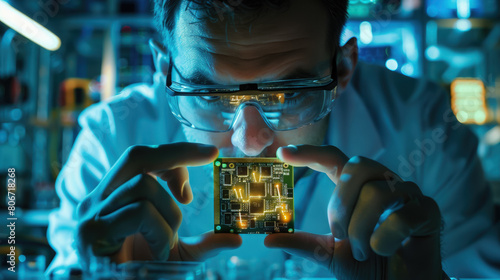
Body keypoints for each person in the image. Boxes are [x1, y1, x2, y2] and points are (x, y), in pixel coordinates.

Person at [46, 0, 500, 278]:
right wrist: (93, 275)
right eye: (208, 93)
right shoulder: (112, 138)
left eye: (288, 93)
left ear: (342, 69)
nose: (249, 142)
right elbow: (65, 262)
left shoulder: (424, 126)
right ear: (164, 71)